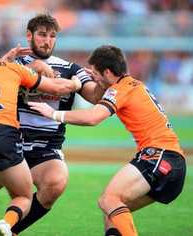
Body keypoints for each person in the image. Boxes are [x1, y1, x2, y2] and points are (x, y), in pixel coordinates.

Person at [0, 14, 104, 236]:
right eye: (42, 35)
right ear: (29, 36)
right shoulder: (12, 64)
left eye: (53, 36)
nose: (48, 41)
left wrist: (104, 81)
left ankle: (10, 231)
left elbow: (93, 96)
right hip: (10, 141)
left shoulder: (72, 69)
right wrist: (29, 65)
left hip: (46, 147)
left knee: (56, 182)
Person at [28, 45, 187, 236]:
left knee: (108, 200)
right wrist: (98, 77)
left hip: (158, 156)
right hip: (173, 163)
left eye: (95, 73)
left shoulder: (120, 89)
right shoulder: (135, 84)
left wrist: (54, 113)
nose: (92, 77)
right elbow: (106, 87)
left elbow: (93, 117)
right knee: (113, 212)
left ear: (108, 72)